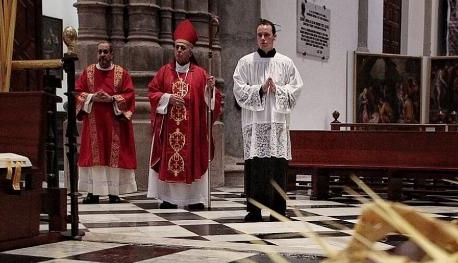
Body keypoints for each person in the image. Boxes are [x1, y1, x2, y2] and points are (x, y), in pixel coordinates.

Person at [147, 20, 222, 210]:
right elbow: (152, 93)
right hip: (169, 130)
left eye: (183, 48)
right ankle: (168, 198)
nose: (179, 51)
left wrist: (211, 90)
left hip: (192, 131)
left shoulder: (200, 74)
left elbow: (212, 102)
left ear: (190, 51)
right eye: (176, 47)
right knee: (169, 161)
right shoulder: (165, 72)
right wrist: (167, 98)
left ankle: (194, 198)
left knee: (193, 158)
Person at [232, 19, 303, 222]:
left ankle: (278, 210)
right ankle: (254, 210)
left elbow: (296, 88)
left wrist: (278, 89)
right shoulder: (245, 62)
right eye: (260, 35)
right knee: (256, 167)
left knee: (277, 166)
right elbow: (238, 89)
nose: (263, 39)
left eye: (267, 35)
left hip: (277, 123)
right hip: (254, 123)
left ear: (274, 37)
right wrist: (260, 89)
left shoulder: (285, 62)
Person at [75, 41, 137, 204]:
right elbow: (77, 92)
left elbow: (130, 95)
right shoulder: (88, 72)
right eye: (100, 52)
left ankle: (114, 192)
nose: (102, 55)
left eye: (105, 52)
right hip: (94, 122)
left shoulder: (121, 73)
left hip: (114, 123)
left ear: (112, 54)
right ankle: (92, 192)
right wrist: (91, 97)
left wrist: (112, 99)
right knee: (94, 156)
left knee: (113, 155)